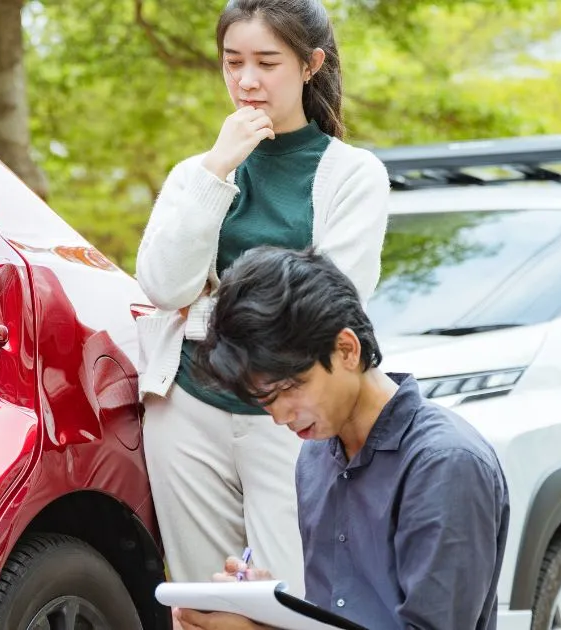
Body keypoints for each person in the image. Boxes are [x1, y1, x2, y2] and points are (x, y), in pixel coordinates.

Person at [134, 0, 389, 594]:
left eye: (266, 62)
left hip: (295, 417)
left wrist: (209, 299)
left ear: (310, 64)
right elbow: (163, 285)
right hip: (188, 406)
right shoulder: (198, 174)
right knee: (204, 594)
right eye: (232, 62)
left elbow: (329, 299)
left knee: (296, 592)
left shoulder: (353, 175)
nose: (246, 81)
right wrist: (219, 168)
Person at [173, 246, 510, 630]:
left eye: (290, 388)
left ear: (347, 349)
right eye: (265, 401)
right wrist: (272, 610)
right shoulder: (316, 457)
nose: (281, 416)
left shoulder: (446, 464)